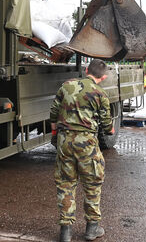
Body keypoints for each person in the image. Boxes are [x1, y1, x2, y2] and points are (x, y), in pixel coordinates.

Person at [50, 59, 113, 242]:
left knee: (65, 183)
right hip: (87, 143)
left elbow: (53, 113)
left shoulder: (66, 86)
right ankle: (92, 229)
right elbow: (108, 126)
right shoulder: (101, 93)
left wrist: (56, 134)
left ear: (86, 70)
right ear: (103, 77)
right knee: (92, 183)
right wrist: (110, 129)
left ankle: (65, 232)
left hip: (65, 141)